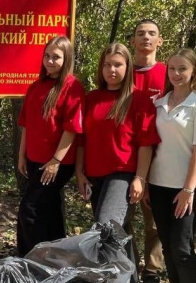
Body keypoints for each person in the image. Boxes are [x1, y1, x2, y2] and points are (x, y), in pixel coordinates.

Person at [76, 43, 160, 270]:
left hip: (123, 175)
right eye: (107, 65)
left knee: (105, 227)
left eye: (118, 65)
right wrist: (79, 172)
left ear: (128, 67)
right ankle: (129, 282)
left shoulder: (139, 100)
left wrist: (140, 179)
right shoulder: (92, 98)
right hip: (95, 175)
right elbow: (82, 140)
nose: (112, 70)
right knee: (120, 230)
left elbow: (146, 145)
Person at [148, 48, 196, 283]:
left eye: (182, 69)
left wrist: (188, 190)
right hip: (158, 182)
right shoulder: (159, 103)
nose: (176, 73)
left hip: (188, 188)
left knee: (182, 246)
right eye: (172, 68)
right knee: (166, 242)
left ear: (194, 73)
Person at [16, 35, 85, 255]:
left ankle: (29, 260)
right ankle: (56, 256)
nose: (50, 61)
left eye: (56, 57)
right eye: (47, 56)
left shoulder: (72, 87)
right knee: (51, 208)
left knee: (30, 209)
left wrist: (56, 161)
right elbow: (26, 124)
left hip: (57, 162)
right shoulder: (36, 87)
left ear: (67, 59)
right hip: (35, 159)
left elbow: (72, 128)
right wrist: (21, 156)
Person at [129, 19, 168, 283]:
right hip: (125, 156)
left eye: (151, 34)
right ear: (133, 41)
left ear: (159, 41)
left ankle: (152, 275)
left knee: (154, 220)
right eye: (140, 34)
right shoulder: (121, 71)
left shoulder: (169, 73)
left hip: (162, 156)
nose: (146, 38)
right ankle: (127, 270)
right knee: (122, 217)